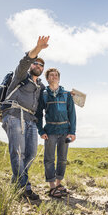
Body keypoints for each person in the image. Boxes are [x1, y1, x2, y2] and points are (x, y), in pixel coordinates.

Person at [2, 36, 50, 200]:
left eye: (41, 64)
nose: (38, 65)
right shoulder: (21, 76)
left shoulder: (40, 86)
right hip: (14, 115)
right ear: (31, 66)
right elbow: (25, 60)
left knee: (30, 154)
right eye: (35, 63)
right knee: (18, 153)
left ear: (43, 69)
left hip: (30, 120)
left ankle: (16, 184)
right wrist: (37, 49)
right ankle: (25, 188)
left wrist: (69, 95)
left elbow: (51, 93)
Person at [36, 67, 76, 198]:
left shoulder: (66, 94)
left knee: (62, 159)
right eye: (51, 75)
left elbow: (72, 114)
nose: (54, 77)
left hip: (65, 132)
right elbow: (38, 114)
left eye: (56, 75)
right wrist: (41, 130)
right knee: (49, 159)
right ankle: (52, 187)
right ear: (47, 79)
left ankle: (59, 184)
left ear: (59, 78)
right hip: (50, 132)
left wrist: (72, 131)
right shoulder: (44, 94)